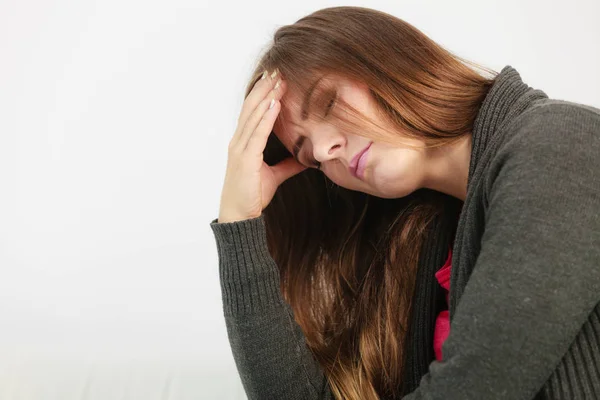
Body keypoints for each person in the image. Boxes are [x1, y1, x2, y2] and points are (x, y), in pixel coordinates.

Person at [210, 6, 600, 400]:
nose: (326, 151)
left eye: (328, 102)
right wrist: (239, 224)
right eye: (308, 155)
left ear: (387, 60)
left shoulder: (558, 145)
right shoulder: (428, 241)